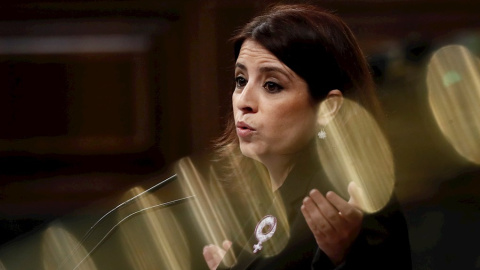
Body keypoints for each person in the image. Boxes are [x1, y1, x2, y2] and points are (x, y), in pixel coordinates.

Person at [183, 3, 412, 270]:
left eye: (272, 85)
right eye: (241, 80)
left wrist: (342, 258)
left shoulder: (351, 200)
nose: (244, 101)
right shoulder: (261, 199)